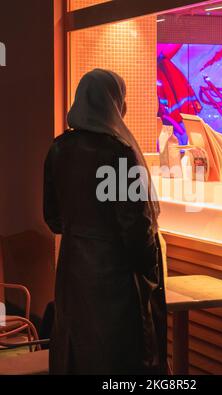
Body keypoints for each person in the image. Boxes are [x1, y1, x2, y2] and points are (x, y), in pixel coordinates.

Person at [43, 68, 168, 375]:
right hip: (115, 283)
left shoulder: (59, 149)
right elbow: (136, 230)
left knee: (77, 355)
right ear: (113, 103)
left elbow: (53, 219)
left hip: (72, 275)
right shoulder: (120, 154)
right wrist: (153, 275)